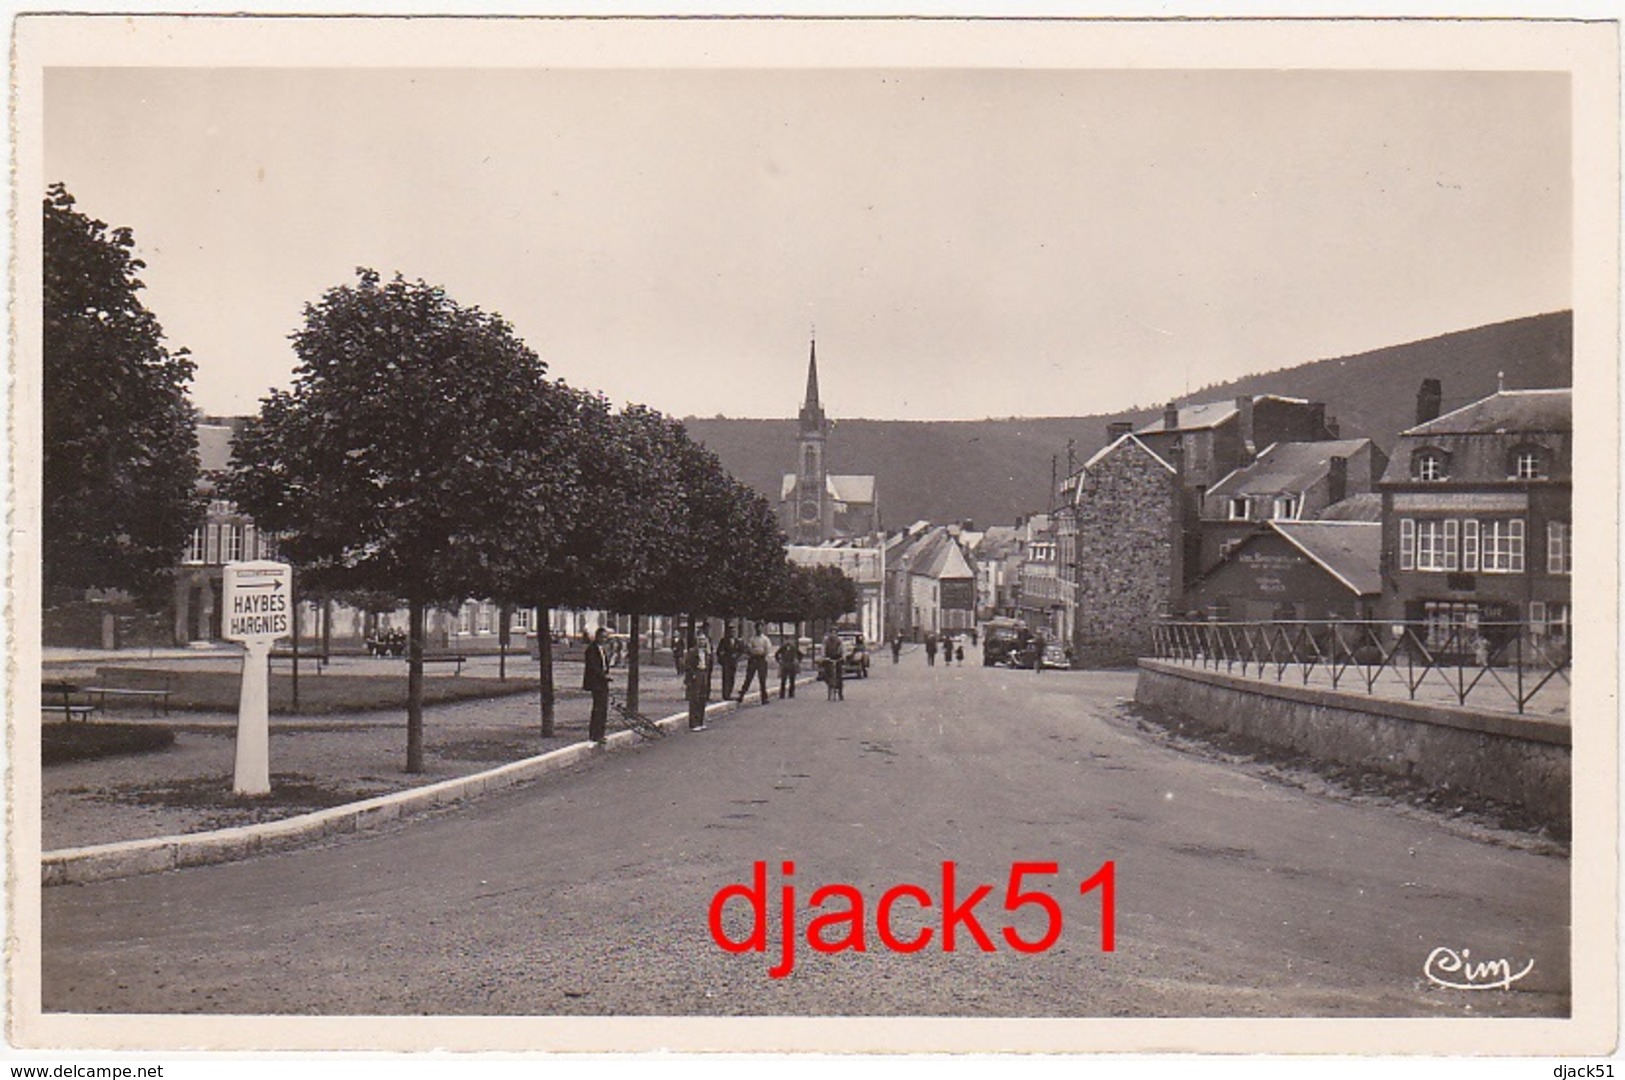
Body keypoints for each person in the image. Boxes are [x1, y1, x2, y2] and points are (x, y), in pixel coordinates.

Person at [583, 627, 611, 745]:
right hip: (596, 683)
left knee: (603, 707)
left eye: (606, 637)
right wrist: (603, 676)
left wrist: (606, 674)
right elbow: (594, 667)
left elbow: (604, 665)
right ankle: (594, 734)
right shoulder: (591, 650)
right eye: (603, 637)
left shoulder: (602, 649)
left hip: (603, 681)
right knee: (598, 707)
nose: (604, 639)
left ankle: (601, 733)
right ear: (597, 636)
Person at [685, 631, 712, 731]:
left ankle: (700, 721)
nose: (702, 642)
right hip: (696, 674)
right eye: (700, 639)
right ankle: (693, 723)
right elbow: (687, 665)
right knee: (694, 699)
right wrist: (693, 675)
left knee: (702, 698)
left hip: (704, 674)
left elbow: (709, 664)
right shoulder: (692, 651)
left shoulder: (706, 652)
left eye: (703, 640)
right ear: (697, 641)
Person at [738, 626, 773, 704]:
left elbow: (767, 649)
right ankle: (741, 695)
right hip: (753, 659)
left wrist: (761, 652)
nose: (759, 629)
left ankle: (764, 698)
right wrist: (754, 652)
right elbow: (749, 648)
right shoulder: (752, 639)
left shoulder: (765, 639)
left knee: (762, 680)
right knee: (748, 678)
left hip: (761, 659)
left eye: (760, 628)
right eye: (757, 628)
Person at [821, 628, 845, 699]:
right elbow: (823, 649)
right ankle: (829, 683)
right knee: (825, 673)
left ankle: (840, 693)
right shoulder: (826, 641)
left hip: (838, 659)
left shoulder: (839, 641)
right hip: (829, 659)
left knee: (839, 675)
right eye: (832, 633)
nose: (833, 635)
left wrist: (843, 657)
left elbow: (843, 649)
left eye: (835, 633)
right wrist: (824, 657)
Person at [716, 631, 740, 701]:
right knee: (726, 678)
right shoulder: (723, 641)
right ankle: (725, 695)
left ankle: (729, 693)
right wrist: (723, 659)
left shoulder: (737, 641)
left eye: (733, 632)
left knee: (732, 678)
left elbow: (741, 650)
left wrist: (737, 656)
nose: (732, 633)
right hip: (726, 662)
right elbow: (719, 651)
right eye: (730, 631)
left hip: (733, 662)